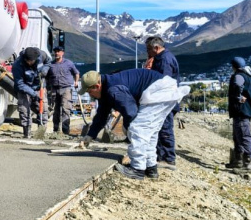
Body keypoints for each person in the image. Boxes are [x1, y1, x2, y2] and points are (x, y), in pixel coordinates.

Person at [78, 69, 189, 180]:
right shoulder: (106, 89)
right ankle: (151, 168)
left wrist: (128, 128)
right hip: (162, 89)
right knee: (150, 133)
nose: (90, 95)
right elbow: (102, 115)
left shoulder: (113, 90)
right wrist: (90, 135)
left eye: (89, 92)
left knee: (138, 128)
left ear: (97, 86)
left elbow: (131, 112)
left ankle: (137, 169)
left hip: (158, 91)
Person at [145, 36, 180, 170]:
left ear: (156, 48)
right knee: (160, 129)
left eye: (149, 49)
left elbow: (164, 82)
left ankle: (168, 158)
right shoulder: (160, 58)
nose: (147, 52)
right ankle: (161, 156)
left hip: (165, 100)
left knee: (165, 129)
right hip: (162, 100)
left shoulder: (165, 60)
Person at [12, 47, 51, 138]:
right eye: (29, 61)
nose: (31, 63)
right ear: (25, 59)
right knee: (24, 110)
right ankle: (27, 133)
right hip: (24, 89)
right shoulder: (17, 65)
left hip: (39, 86)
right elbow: (20, 84)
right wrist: (33, 94)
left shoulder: (41, 55)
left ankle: (42, 131)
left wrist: (45, 69)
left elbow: (49, 62)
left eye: (32, 61)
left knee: (43, 108)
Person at [226, 57, 251, 170]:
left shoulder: (239, 75)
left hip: (241, 110)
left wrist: (238, 97)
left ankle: (248, 161)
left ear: (234, 66)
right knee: (238, 136)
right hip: (246, 110)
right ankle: (238, 160)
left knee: (243, 136)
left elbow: (238, 84)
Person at [45, 46, 80, 135]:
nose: (56, 53)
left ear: (62, 53)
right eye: (55, 51)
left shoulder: (68, 63)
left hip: (66, 89)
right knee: (55, 110)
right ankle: (56, 130)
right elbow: (47, 77)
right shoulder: (51, 64)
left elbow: (76, 73)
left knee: (66, 109)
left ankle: (65, 131)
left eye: (58, 51)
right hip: (54, 89)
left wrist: (76, 82)